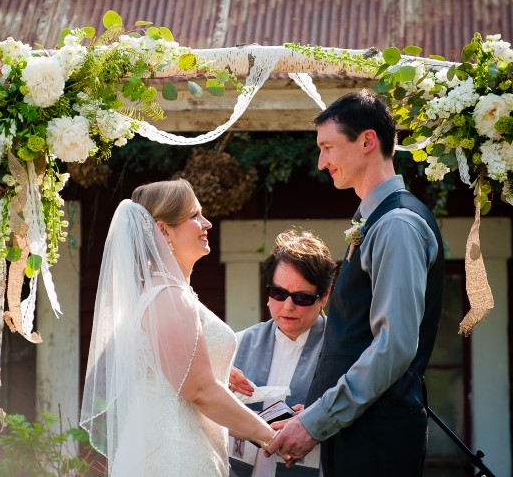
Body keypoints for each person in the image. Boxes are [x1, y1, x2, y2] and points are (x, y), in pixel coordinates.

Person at [269, 89, 445, 477]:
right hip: (358, 429)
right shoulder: (375, 220)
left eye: (328, 147)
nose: (320, 162)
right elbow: (355, 339)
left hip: (377, 439)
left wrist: (317, 422)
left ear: (367, 141)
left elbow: (393, 347)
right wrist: (317, 407)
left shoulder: (397, 225)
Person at [80, 179, 279, 476]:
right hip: (175, 457)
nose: (207, 223)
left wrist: (216, 366)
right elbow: (200, 390)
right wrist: (271, 436)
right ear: (163, 230)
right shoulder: (169, 296)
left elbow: (176, 370)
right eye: (194, 216)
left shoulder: (163, 293)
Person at [228, 229, 336, 477]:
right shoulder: (239, 342)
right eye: (278, 293)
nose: (288, 306)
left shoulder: (340, 351)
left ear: (325, 295)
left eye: (301, 297)